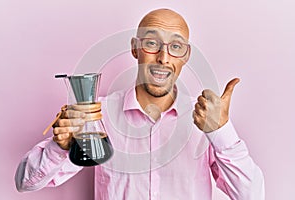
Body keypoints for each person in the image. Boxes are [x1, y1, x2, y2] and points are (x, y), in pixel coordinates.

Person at [15, 8, 265, 199]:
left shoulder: (205, 121)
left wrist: (220, 131)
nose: (163, 58)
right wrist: (60, 146)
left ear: (185, 56)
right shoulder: (97, 116)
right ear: (135, 48)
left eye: (175, 46)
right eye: (152, 43)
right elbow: (25, 182)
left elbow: (251, 194)